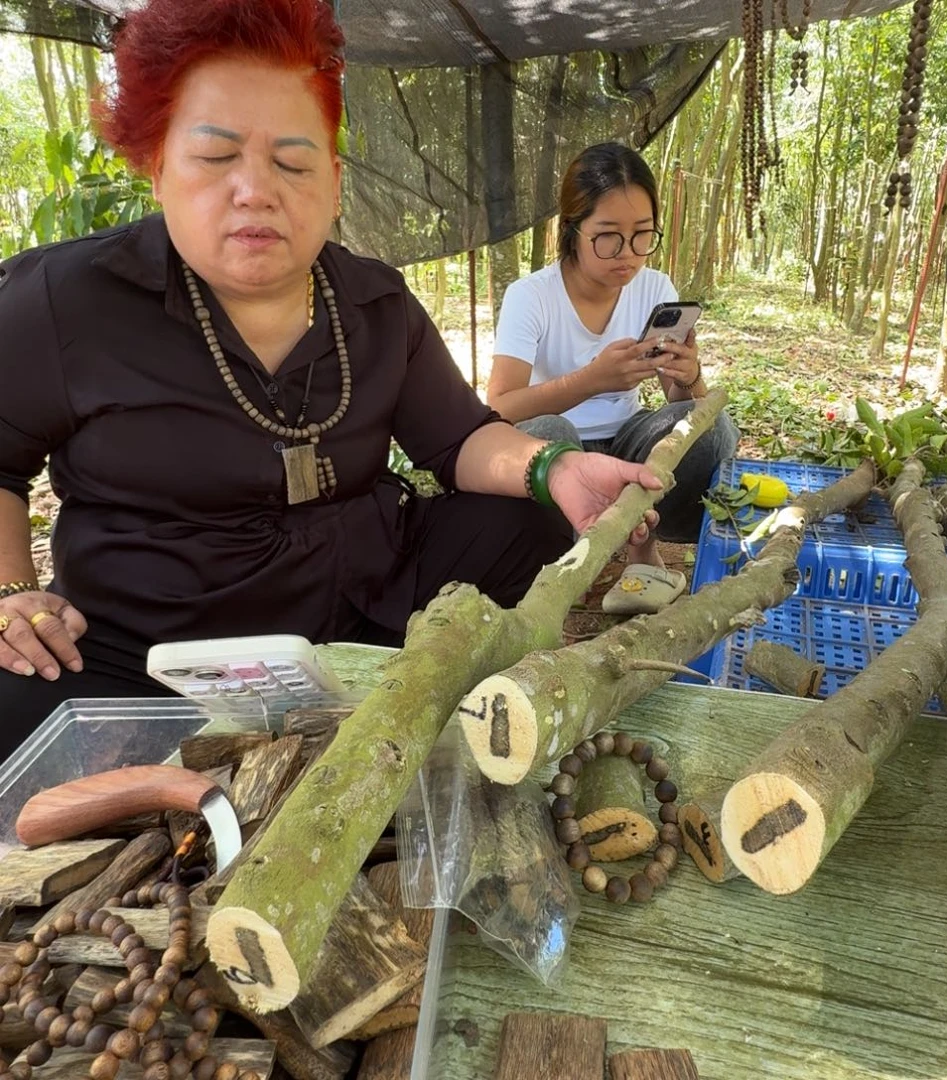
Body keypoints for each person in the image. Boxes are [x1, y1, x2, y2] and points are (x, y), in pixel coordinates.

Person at [0, 0, 663, 763]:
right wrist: (15, 597)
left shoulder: (375, 304)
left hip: (365, 611)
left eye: (292, 160)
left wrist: (554, 465)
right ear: (157, 166)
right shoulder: (62, 299)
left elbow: (459, 437)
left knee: (528, 519)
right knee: (14, 698)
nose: (256, 190)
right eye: (216, 156)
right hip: (149, 651)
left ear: (334, 180)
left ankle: (392, 698)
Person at [489, 142, 738, 573]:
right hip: (560, 448)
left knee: (713, 428)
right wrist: (590, 380)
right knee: (549, 431)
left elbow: (681, 405)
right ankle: (572, 543)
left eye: (643, 234)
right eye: (608, 236)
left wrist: (689, 375)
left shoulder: (655, 288)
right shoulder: (530, 297)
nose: (628, 253)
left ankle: (643, 533)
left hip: (629, 443)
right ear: (573, 229)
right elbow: (499, 408)